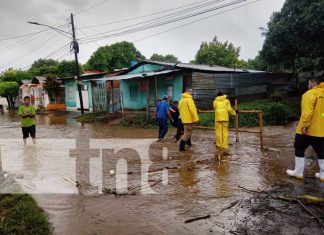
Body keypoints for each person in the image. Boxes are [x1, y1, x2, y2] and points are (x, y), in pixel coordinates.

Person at [287, 77, 324, 181]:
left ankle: (298, 173)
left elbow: (307, 111)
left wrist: (304, 125)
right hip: (321, 131)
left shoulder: (310, 94)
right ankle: (323, 175)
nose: (308, 86)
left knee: (299, 148)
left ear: (313, 83)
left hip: (307, 130)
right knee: (322, 151)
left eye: (308, 84)